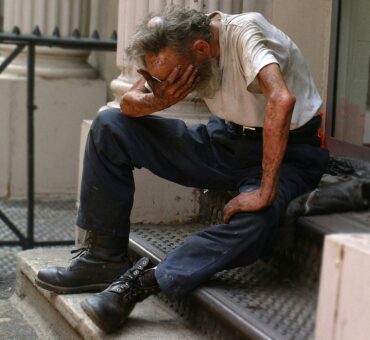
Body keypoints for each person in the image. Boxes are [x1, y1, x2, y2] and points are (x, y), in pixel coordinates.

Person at [35, 7, 329, 333]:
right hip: (227, 140)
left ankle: (141, 283)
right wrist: (157, 100)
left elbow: (281, 99)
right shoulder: (174, 44)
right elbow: (129, 103)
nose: (163, 83)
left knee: (257, 222)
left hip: (290, 151)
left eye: (170, 75)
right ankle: (102, 258)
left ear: (201, 50)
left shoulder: (246, 32)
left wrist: (264, 190)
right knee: (110, 125)